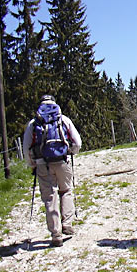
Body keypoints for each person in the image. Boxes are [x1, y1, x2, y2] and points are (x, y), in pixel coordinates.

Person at [23, 95, 82, 247]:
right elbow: (78, 142)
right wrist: (71, 152)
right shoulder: (63, 119)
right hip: (63, 160)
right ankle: (67, 224)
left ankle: (56, 234)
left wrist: (32, 164)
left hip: (43, 164)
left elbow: (26, 148)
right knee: (66, 191)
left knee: (50, 198)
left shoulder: (34, 123)